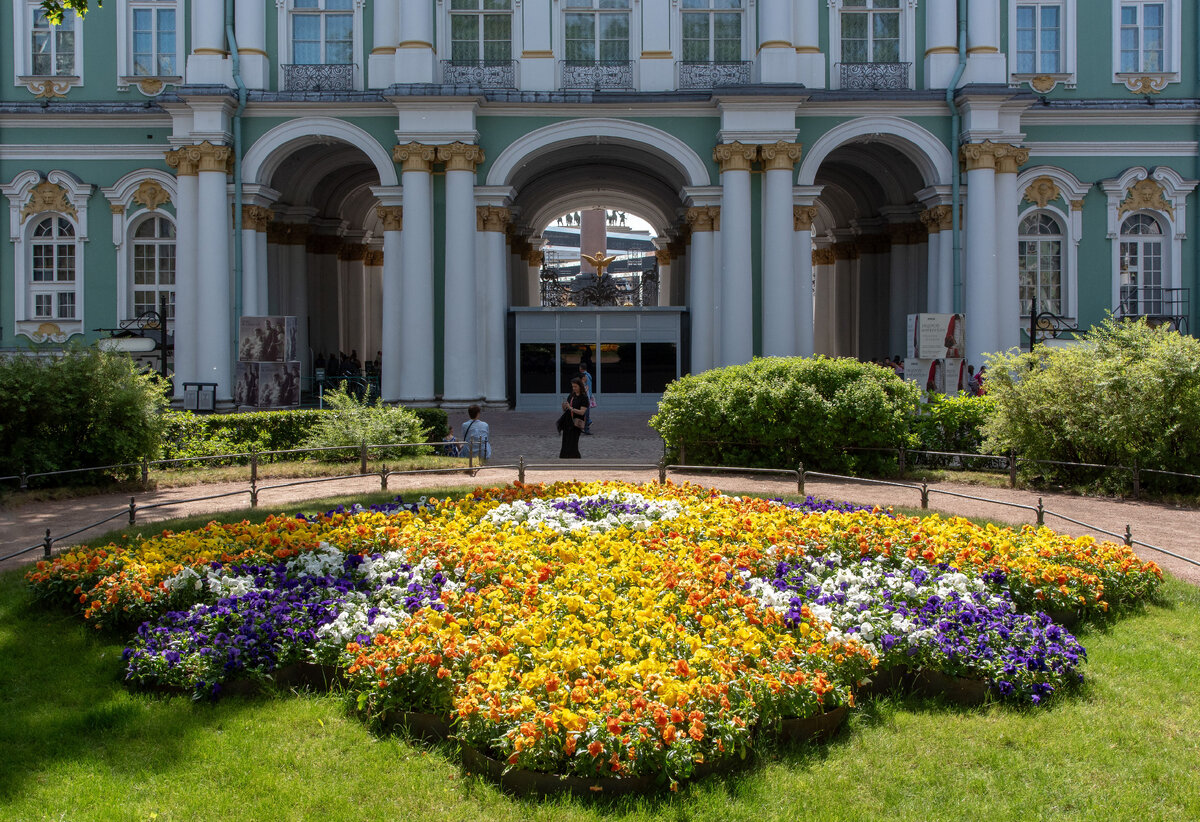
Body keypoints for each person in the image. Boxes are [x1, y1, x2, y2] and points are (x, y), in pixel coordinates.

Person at [559, 378, 587, 459]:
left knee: (573, 443)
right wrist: (564, 407)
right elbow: (566, 409)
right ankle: (564, 459)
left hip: (576, 423)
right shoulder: (571, 395)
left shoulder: (584, 398)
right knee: (565, 442)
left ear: (580, 387)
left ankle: (575, 460)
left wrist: (571, 408)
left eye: (575, 387)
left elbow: (582, 412)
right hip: (568, 422)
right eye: (573, 387)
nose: (574, 388)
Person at [577, 361, 594, 434]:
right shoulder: (588, 375)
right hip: (587, 396)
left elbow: (585, 387)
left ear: (581, 368)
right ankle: (583, 427)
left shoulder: (584, 376)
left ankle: (586, 428)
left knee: (585, 413)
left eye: (579, 367)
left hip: (585, 397)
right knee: (583, 413)